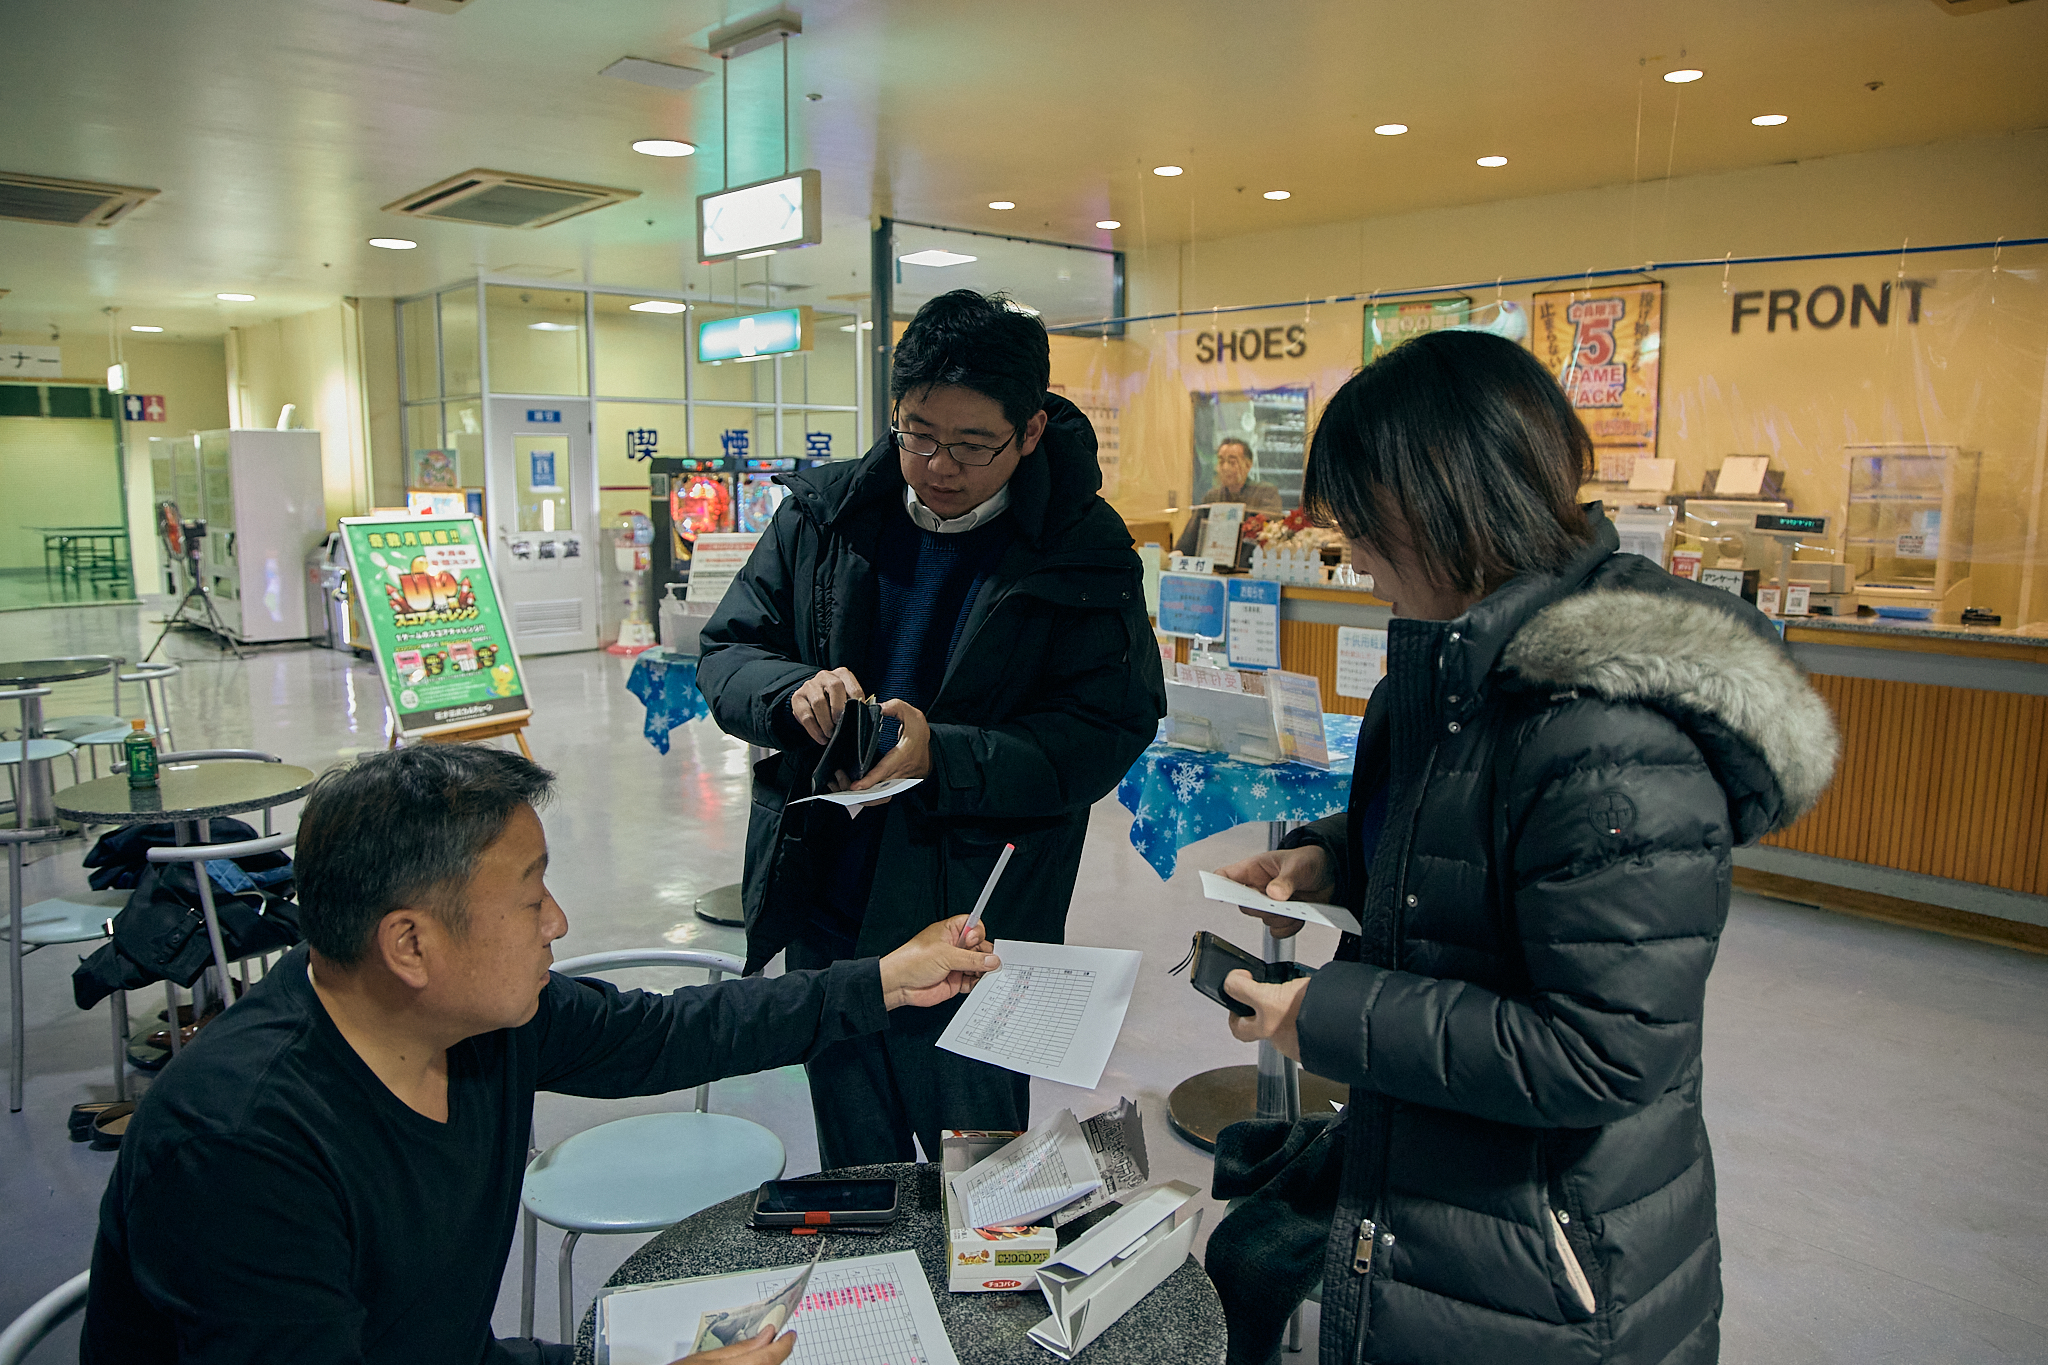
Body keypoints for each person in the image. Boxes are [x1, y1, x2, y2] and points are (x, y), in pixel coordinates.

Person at [1204, 329, 1839, 1365]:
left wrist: (1332, 1015)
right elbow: (1461, 848)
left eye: (1362, 526)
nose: (1352, 558)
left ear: (1437, 505)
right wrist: (1329, 857)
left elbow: (1605, 1049)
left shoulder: (1608, 728)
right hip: (1443, 1190)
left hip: (1549, 1256)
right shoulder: (1464, 663)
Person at [81, 745, 999, 1365]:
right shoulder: (241, 1152)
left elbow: (669, 1031)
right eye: (530, 896)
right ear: (410, 945)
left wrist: (882, 979)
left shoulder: (476, 1020)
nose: (559, 920)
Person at [697, 288, 1165, 1168]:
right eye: (917, 433)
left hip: (981, 917)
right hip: (831, 895)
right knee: (859, 1164)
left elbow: (1104, 730)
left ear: (1029, 433)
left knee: (978, 1177)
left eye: (971, 445)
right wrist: (792, 692)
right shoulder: (824, 514)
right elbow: (728, 651)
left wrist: (942, 754)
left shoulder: (1082, 548)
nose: (937, 465)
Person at [1176, 437, 1284, 555]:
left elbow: (1272, 532)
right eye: (1221, 462)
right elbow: (1189, 539)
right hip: (1213, 563)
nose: (1225, 468)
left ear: (1248, 465)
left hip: (1250, 563)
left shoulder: (1265, 493)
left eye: (1232, 462)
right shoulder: (1211, 497)